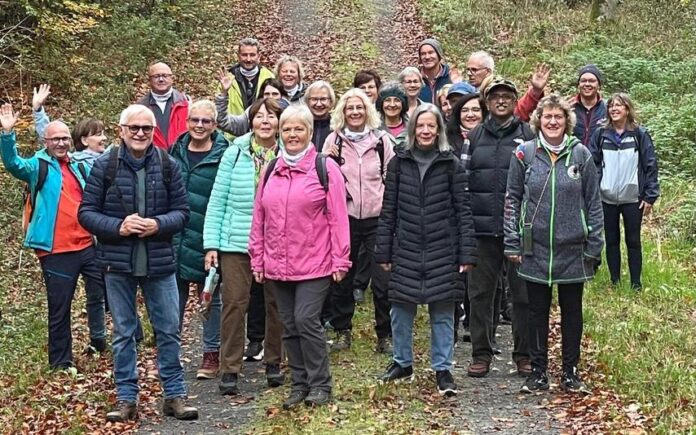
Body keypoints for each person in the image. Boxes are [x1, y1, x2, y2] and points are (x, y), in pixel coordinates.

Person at [78, 104, 197, 422]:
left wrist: (158, 224)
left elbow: (183, 212)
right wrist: (119, 227)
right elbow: (86, 213)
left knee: (169, 331)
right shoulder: (104, 166)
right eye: (134, 128)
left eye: (146, 129)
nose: (140, 134)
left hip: (160, 263)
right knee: (123, 333)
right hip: (117, 264)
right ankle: (126, 399)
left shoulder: (167, 164)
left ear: (153, 132)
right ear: (121, 130)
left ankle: (174, 396)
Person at [249, 104, 351, 408]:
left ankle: (321, 384)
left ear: (310, 132)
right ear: (280, 133)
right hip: (278, 263)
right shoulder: (270, 168)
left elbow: (338, 217)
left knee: (306, 319)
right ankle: (300, 383)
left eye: (299, 129)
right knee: (288, 324)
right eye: (287, 129)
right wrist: (257, 258)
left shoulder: (324, 167)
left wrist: (341, 259)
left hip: (315, 262)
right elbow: (259, 217)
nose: (293, 134)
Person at [504, 94, 604, 394]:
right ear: (538, 120)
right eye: (547, 116)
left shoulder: (581, 155)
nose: (552, 122)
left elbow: (594, 202)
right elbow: (512, 199)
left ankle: (571, 372)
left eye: (558, 117)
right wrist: (512, 241)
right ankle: (537, 372)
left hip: (574, 247)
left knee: (572, 310)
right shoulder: (524, 154)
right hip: (535, 248)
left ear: (567, 121)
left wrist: (594, 244)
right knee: (536, 311)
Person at [375, 103, 476, 397]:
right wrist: (384, 251)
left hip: (443, 248)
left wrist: (466, 253)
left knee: (443, 312)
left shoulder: (451, 164)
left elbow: (463, 212)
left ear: (439, 130)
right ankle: (402, 362)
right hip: (405, 247)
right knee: (400, 310)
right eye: (421, 126)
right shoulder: (398, 163)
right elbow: (388, 210)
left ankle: (443, 368)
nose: (426, 131)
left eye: (431, 126)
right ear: (413, 129)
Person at [0, 104, 106, 368]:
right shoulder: (38, 166)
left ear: (71, 140)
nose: (61, 143)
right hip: (56, 251)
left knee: (104, 292)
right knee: (60, 309)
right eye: (55, 139)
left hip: (87, 245)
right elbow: (13, 164)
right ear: (45, 141)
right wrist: (7, 134)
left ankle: (100, 342)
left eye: (65, 138)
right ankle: (61, 362)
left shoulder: (79, 166)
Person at [204, 98, 285, 395]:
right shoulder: (235, 153)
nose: (265, 121)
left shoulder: (289, 153)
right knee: (235, 304)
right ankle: (229, 369)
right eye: (259, 116)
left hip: (277, 242)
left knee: (277, 304)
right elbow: (217, 199)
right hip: (236, 241)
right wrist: (211, 243)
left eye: (271, 116)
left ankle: (275, 363)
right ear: (250, 120)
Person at [463, 77, 535, 379]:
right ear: (487, 102)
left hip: (518, 231)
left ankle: (525, 355)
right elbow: (463, 182)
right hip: (482, 230)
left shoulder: (527, 135)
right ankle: (481, 353)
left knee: (523, 295)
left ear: (514, 100)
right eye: (495, 97)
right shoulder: (475, 136)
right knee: (479, 295)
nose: (501, 101)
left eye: (507, 96)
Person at [323, 88, 397, 354]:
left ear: (368, 111)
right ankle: (342, 330)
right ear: (342, 112)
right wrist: (326, 157)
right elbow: (324, 179)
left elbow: (392, 176)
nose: (355, 112)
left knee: (383, 280)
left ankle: (385, 334)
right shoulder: (334, 141)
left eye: (359, 107)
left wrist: (388, 208)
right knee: (343, 277)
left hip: (378, 218)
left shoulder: (382, 141)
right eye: (349, 108)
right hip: (345, 218)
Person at [170, 100, 229, 380]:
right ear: (187, 122)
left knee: (211, 298)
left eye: (206, 121)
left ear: (214, 125)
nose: (199, 126)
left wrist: (215, 242)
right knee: (173, 301)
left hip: (210, 238)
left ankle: (211, 353)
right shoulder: (175, 151)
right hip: (177, 238)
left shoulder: (225, 154)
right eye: (195, 120)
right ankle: (170, 356)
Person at [588, 93, 659, 290]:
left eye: (618, 105)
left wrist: (650, 196)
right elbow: (591, 163)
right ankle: (615, 281)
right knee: (611, 240)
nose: (614, 109)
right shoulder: (600, 134)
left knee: (633, 240)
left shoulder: (639, 134)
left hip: (633, 198)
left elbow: (650, 165)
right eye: (611, 106)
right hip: (606, 197)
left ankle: (636, 284)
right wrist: (593, 191)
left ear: (627, 109)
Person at [466, 51, 550, 122]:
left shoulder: (501, 88)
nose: (469, 74)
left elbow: (518, 112)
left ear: (488, 71)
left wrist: (535, 91)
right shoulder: (464, 89)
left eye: (474, 70)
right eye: (468, 70)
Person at [137, 62, 191, 150]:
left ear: (172, 78)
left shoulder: (186, 103)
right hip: (152, 159)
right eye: (156, 76)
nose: (161, 79)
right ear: (149, 80)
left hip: (181, 158)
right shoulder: (140, 107)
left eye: (165, 76)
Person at [222, 37, 275, 119]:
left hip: (262, 127)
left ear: (258, 56)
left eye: (252, 55)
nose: (248, 59)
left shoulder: (270, 77)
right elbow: (220, 109)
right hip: (233, 129)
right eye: (244, 55)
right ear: (238, 56)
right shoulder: (227, 79)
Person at [446, 92, 487, 163]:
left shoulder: (493, 137)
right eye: (465, 110)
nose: (470, 115)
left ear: (483, 112)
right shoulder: (447, 138)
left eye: (475, 110)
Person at [572, 64, 607, 145]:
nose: (587, 84)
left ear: (599, 85)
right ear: (578, 84)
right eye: (583, 81)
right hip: (573, 156)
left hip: (599, 156)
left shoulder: (608, 108)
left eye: (591, 81)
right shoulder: (568, 108)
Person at [304, 80, 336, 151]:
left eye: (323, 99)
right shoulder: (301, 126)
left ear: (331, 101)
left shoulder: (337, 127)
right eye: (314, 99)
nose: (319, 104)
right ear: (307, 101)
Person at [417, 38, 452, 105]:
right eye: (423, 54)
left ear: (439, 55)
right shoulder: (415, 79)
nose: (427, 57)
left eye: (431, 53)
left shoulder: (450, 76)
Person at [376, 82, 409, 149]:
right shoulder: (374, 129)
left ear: (403, 104)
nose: (392, 104)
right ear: (381, 104)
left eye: (397, 100)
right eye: (387, 100)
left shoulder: (412, 128)